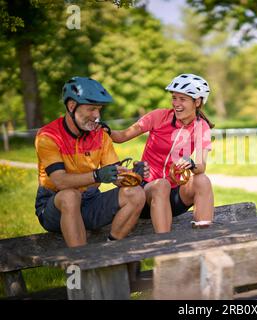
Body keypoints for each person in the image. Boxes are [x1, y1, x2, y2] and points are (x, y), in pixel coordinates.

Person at [34, 76, 149, 247]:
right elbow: (60, 181)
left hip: (90, 200)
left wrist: (134, 176)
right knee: (70, 196)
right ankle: (83, 264)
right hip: (54, 206)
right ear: (72, 106)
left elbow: (115, 175)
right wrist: (97, 175)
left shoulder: (100, 134)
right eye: (91, 109)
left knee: (136, 193)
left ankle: (110, 250)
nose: (97, 116)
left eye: (99, 109)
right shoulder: (48, 136)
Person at [110, 73, 214, 233]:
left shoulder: (202, 127)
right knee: (161, 185)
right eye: (174, 98)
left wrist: (192, 164)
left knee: (202, 180)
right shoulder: (159, 116)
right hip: (147, 193)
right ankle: (165, 245)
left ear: (197, 101)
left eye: (182, 99)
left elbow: (201, 167)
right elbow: (121, 136)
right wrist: (104, 129)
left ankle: (205, 235)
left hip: (174, 197)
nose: (176, 104)